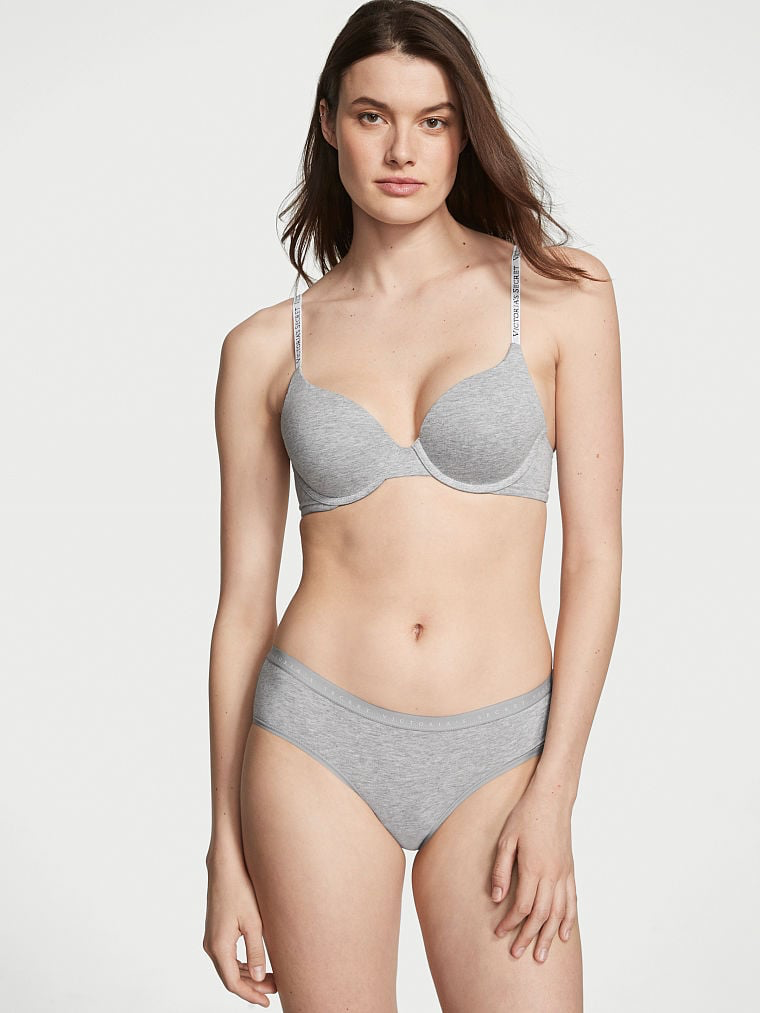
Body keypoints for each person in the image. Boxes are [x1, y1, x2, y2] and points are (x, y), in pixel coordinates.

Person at [202, 1, 622, 1009]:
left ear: (463, 133)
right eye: (372, 116)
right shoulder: (263, 347)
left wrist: (555, 789)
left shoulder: (560, 296)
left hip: (501, 749)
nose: (402, 150)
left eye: (433, 121)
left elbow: (596, 560)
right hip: (312, 741)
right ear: (328, 124)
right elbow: (242, 603)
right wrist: (223, 846)